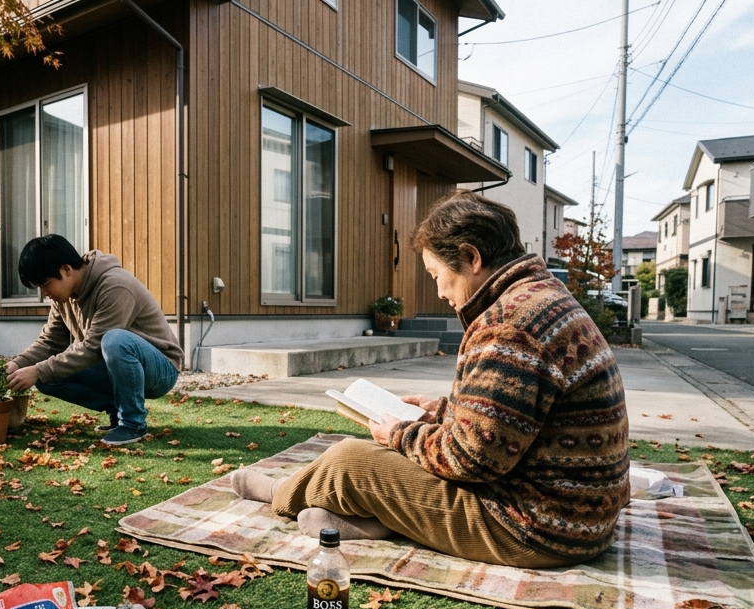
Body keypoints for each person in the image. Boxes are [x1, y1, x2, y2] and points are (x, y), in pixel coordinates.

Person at [231, 190, 630, 568]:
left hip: (535, 528)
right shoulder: (541, 298)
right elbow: (515, 420)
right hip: (578, 520)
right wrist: (442, 412)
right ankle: (376, 521)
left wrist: (399, 435)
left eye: (435, 274)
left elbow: (471, 458)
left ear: (470, 258)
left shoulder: (509, 325)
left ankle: (280, 493)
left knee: (349, 460)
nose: (438, 291)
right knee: (403, 456)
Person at [6, 235, 183, 446]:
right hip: (114, 364)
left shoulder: (115, 286)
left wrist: (37, 370)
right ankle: (117, 409)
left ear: (66, 269)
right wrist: (17, 364)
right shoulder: (63, 298)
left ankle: (133, 423)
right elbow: (50, 342)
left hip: (161, 369)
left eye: (46, 285)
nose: (45, 294)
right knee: (45, 376)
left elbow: (94, 348)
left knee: (114, 339)